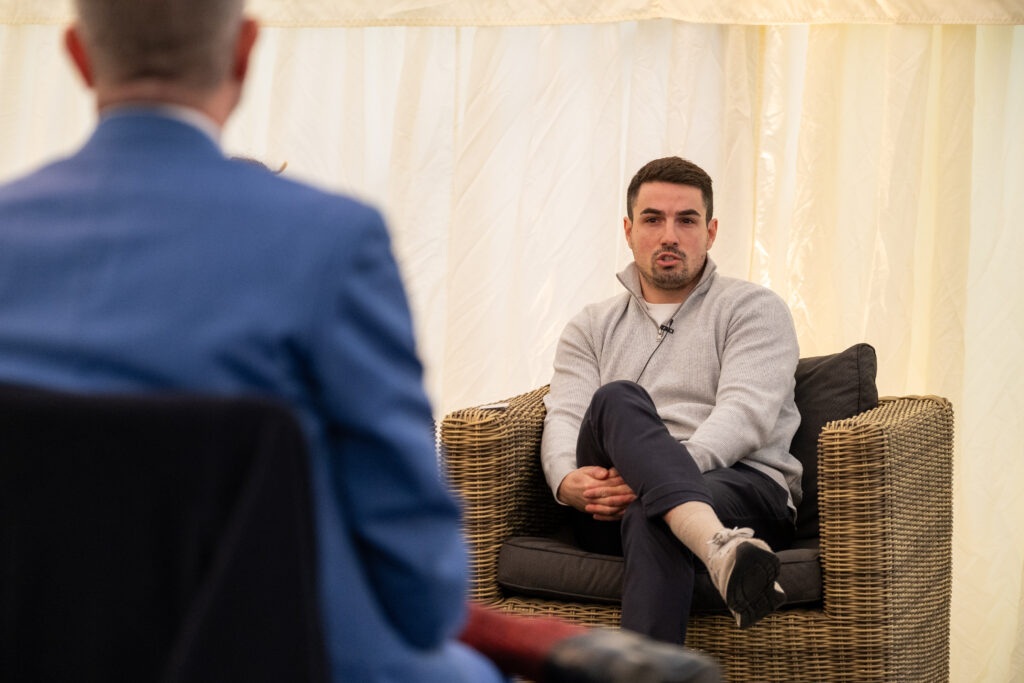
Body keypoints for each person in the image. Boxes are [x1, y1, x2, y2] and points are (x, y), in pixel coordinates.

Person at [0, 3, 719, 681]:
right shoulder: (331, 241)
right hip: (286, 652)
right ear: (245, 51)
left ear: (77, 53)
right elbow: (419, 577)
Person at [540, 157, 802, 644]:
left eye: (687, 220)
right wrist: (566, 482)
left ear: (711, 230)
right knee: (617, 399)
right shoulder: (591, 326)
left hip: (743, 488)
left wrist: (657, 476)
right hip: (609, 498)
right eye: (652, 219)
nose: (669, 235)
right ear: (628, 229)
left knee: (653, 511)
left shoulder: (753, 309)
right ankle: (718, 548)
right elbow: (567, 414)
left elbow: (745, 415)